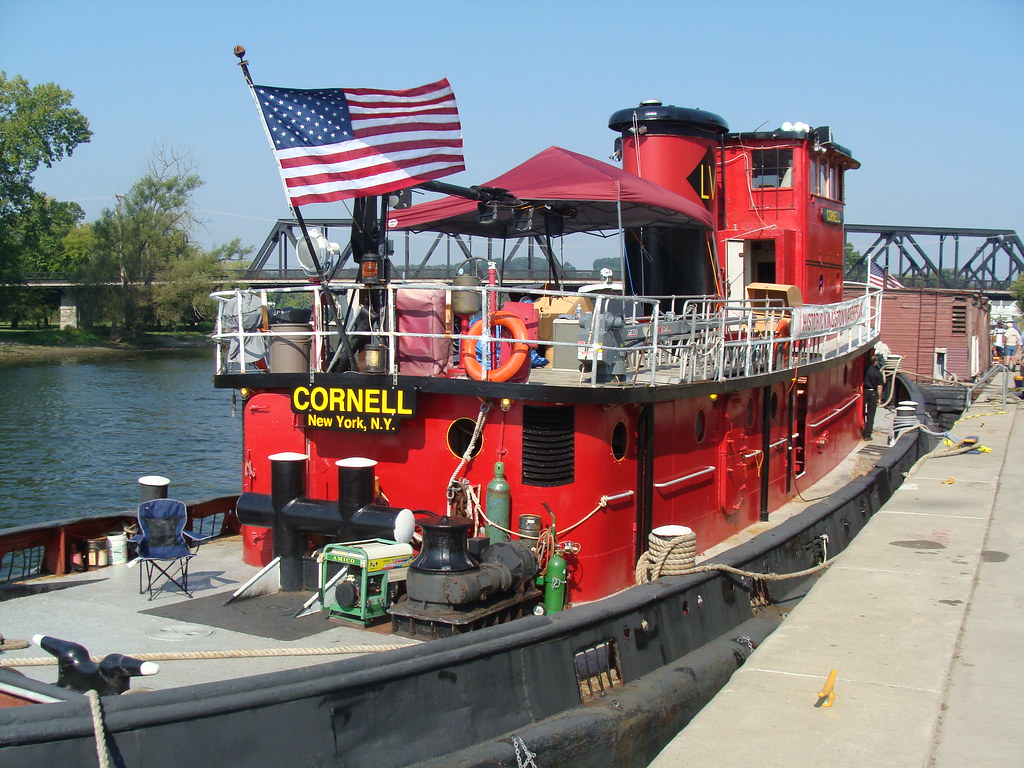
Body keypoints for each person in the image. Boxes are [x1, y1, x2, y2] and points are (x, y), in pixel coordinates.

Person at [862, 354, 884, 440]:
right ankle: (867, 435)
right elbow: (879, 386)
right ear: (875, 362)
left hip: (864, 391)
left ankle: (861, 428)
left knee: (862, 411)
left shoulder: (864, 370)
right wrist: (879, 398)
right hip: (873, 393)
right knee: (871, 415)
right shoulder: (877, 373)